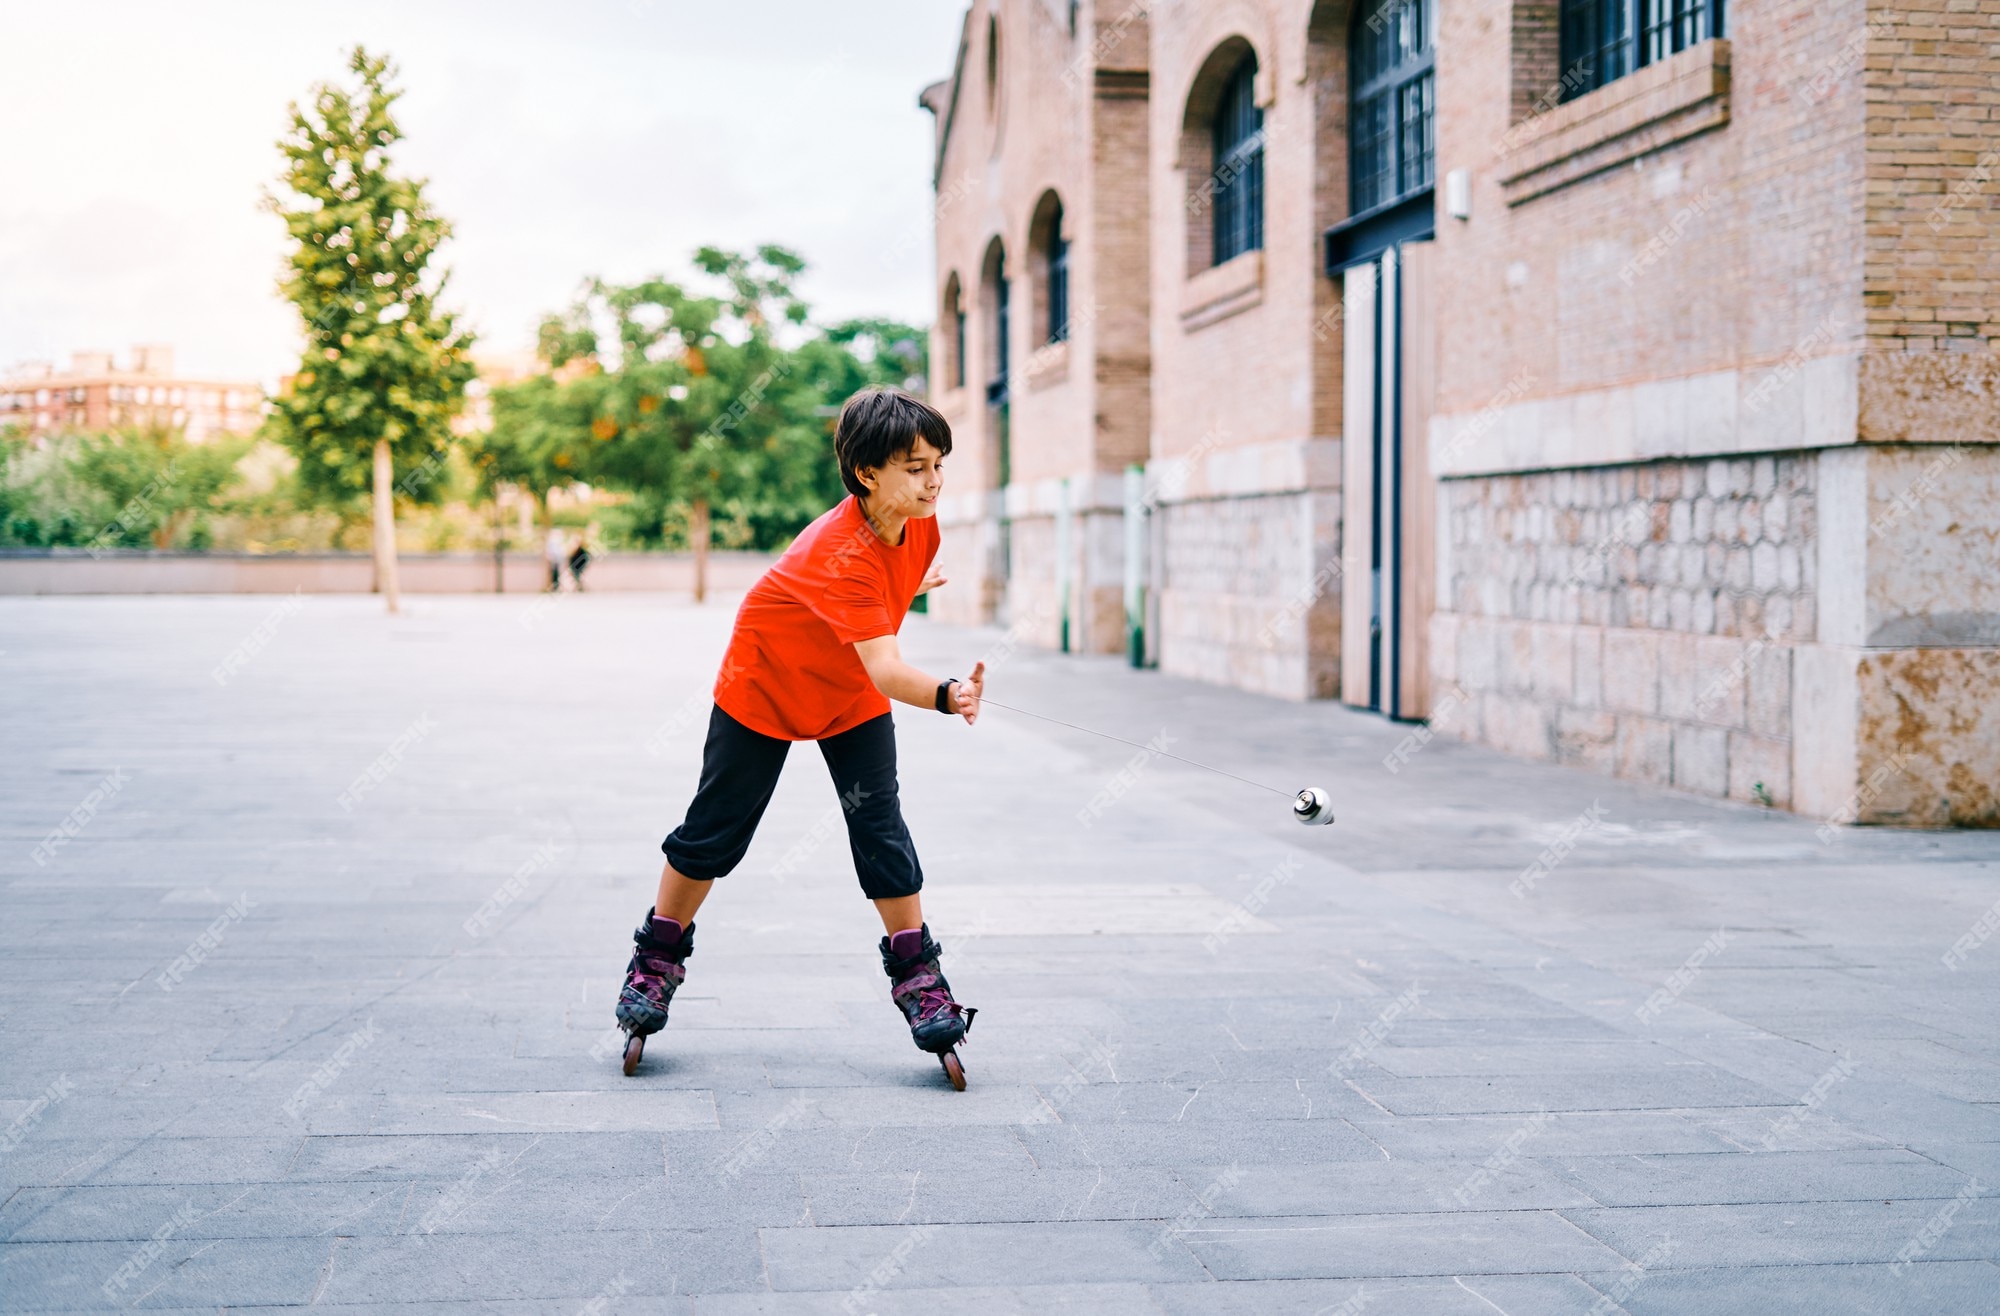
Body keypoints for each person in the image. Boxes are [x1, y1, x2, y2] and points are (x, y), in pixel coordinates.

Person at [613, 389, 986, 1083]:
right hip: (767, 685)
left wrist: (909, 588)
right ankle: (655, 961)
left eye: (939, 463)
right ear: (867, 473)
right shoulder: (836, 551)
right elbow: (887, 665)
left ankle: (919, 977)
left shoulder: (920, 523)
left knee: (881, 827)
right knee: (716, 832)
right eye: (916, 467)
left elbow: (879, 610)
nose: (934, 480)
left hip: (849, 696)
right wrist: (947, 695)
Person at [567, 525, 593, 591]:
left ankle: (580, 587)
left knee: (577, 575)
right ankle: (580, 587)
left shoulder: (581, 543)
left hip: (579, 561)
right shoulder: (576, 542)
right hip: (576, 561)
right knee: (577, 575)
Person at [544, 526, 568, 593]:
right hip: (554, 560)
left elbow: (562, 550)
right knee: (554, 573)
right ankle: (554, 586)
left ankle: (556, 586)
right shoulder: (552, 541)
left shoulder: (558, 541)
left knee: (556, 573)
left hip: (557, 559)